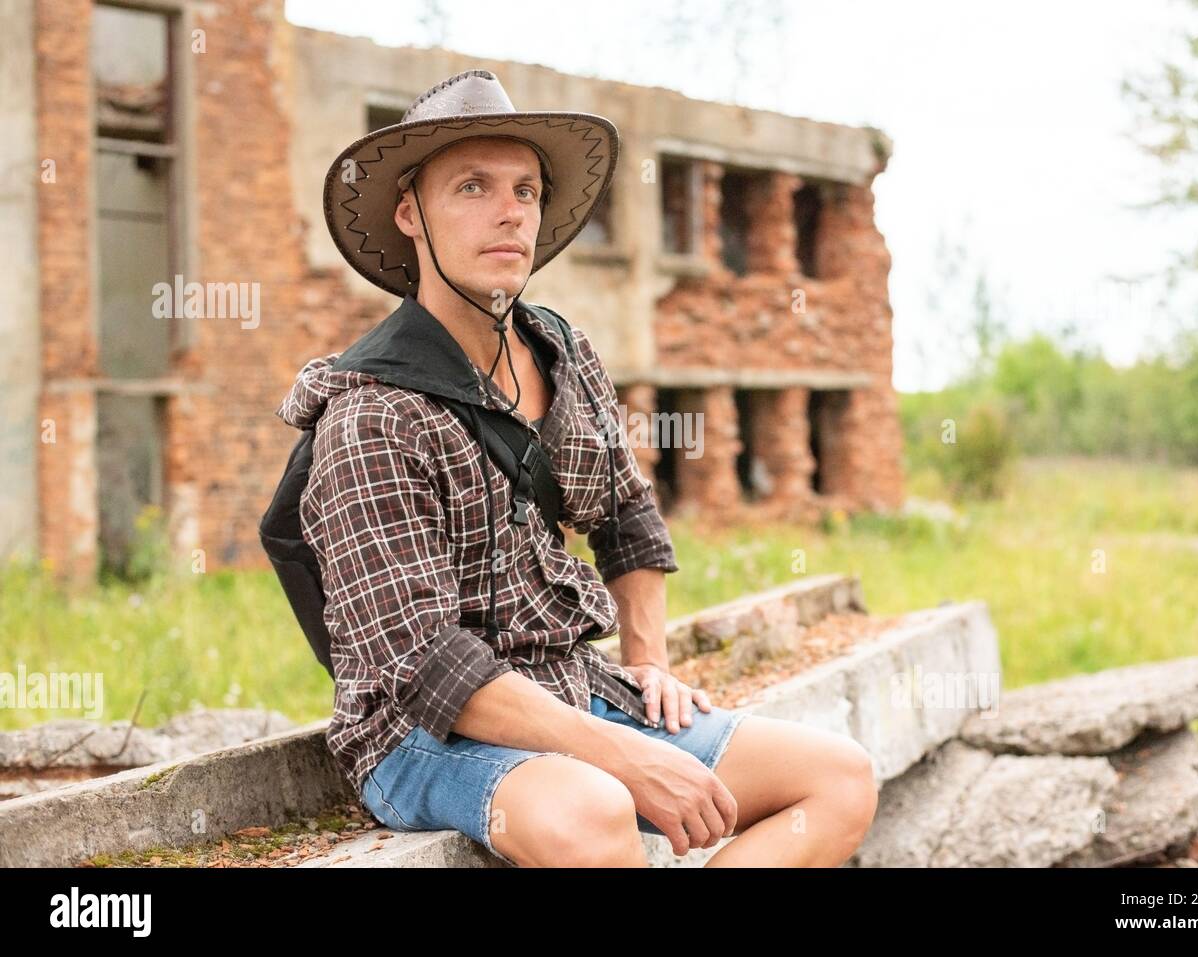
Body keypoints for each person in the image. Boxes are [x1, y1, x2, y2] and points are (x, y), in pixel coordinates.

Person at [276, 68, 877, 867]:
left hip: (573, 688)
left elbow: (627, 516)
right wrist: (623, 757)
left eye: (526, 190)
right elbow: (425, 662)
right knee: (597, 808)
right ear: (409, 213)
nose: (509, 212)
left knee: (839, 779)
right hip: (422, 734)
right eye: (473, 187)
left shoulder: (561, 351)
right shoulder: (372, 415)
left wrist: (649, 660)